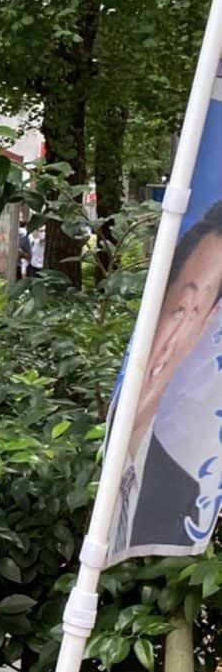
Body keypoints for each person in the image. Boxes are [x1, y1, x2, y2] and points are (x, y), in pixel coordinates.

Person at [110, 200, 222, 556]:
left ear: (206, 327)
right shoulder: (74, 458)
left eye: (196, 314)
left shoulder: (184, 497)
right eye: (177, 309)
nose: (173, 341)